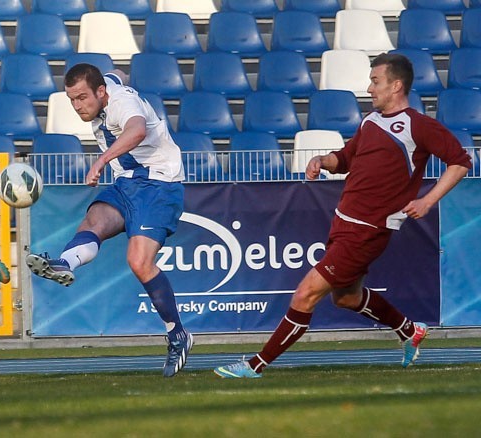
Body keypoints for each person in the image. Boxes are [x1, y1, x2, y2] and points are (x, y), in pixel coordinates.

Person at [214, 53, 472, 379]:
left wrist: (429, 200)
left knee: (305, 293)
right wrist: (322, 160)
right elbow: (345, 159)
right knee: (347, 298)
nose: (369, 88)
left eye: (375, 81)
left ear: (396, 85)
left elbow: (461, 162)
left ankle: (255, 365)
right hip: (343, 222)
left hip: (368, 230)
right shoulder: (370, 122)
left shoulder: (417, 125)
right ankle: (409, 330)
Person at [25, 64, 193, 378]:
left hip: (159, 185)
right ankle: (65, 263)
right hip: (127, 184)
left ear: (101, 93)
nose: (77, 106)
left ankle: (178, 334)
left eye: (82, 98)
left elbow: (137, 130)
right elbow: (118, 73)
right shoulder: (108, 85)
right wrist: (120, 75)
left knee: (139, 261)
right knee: (93, 222)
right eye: (72, 99)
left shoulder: (122, 104)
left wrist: (101, 160)